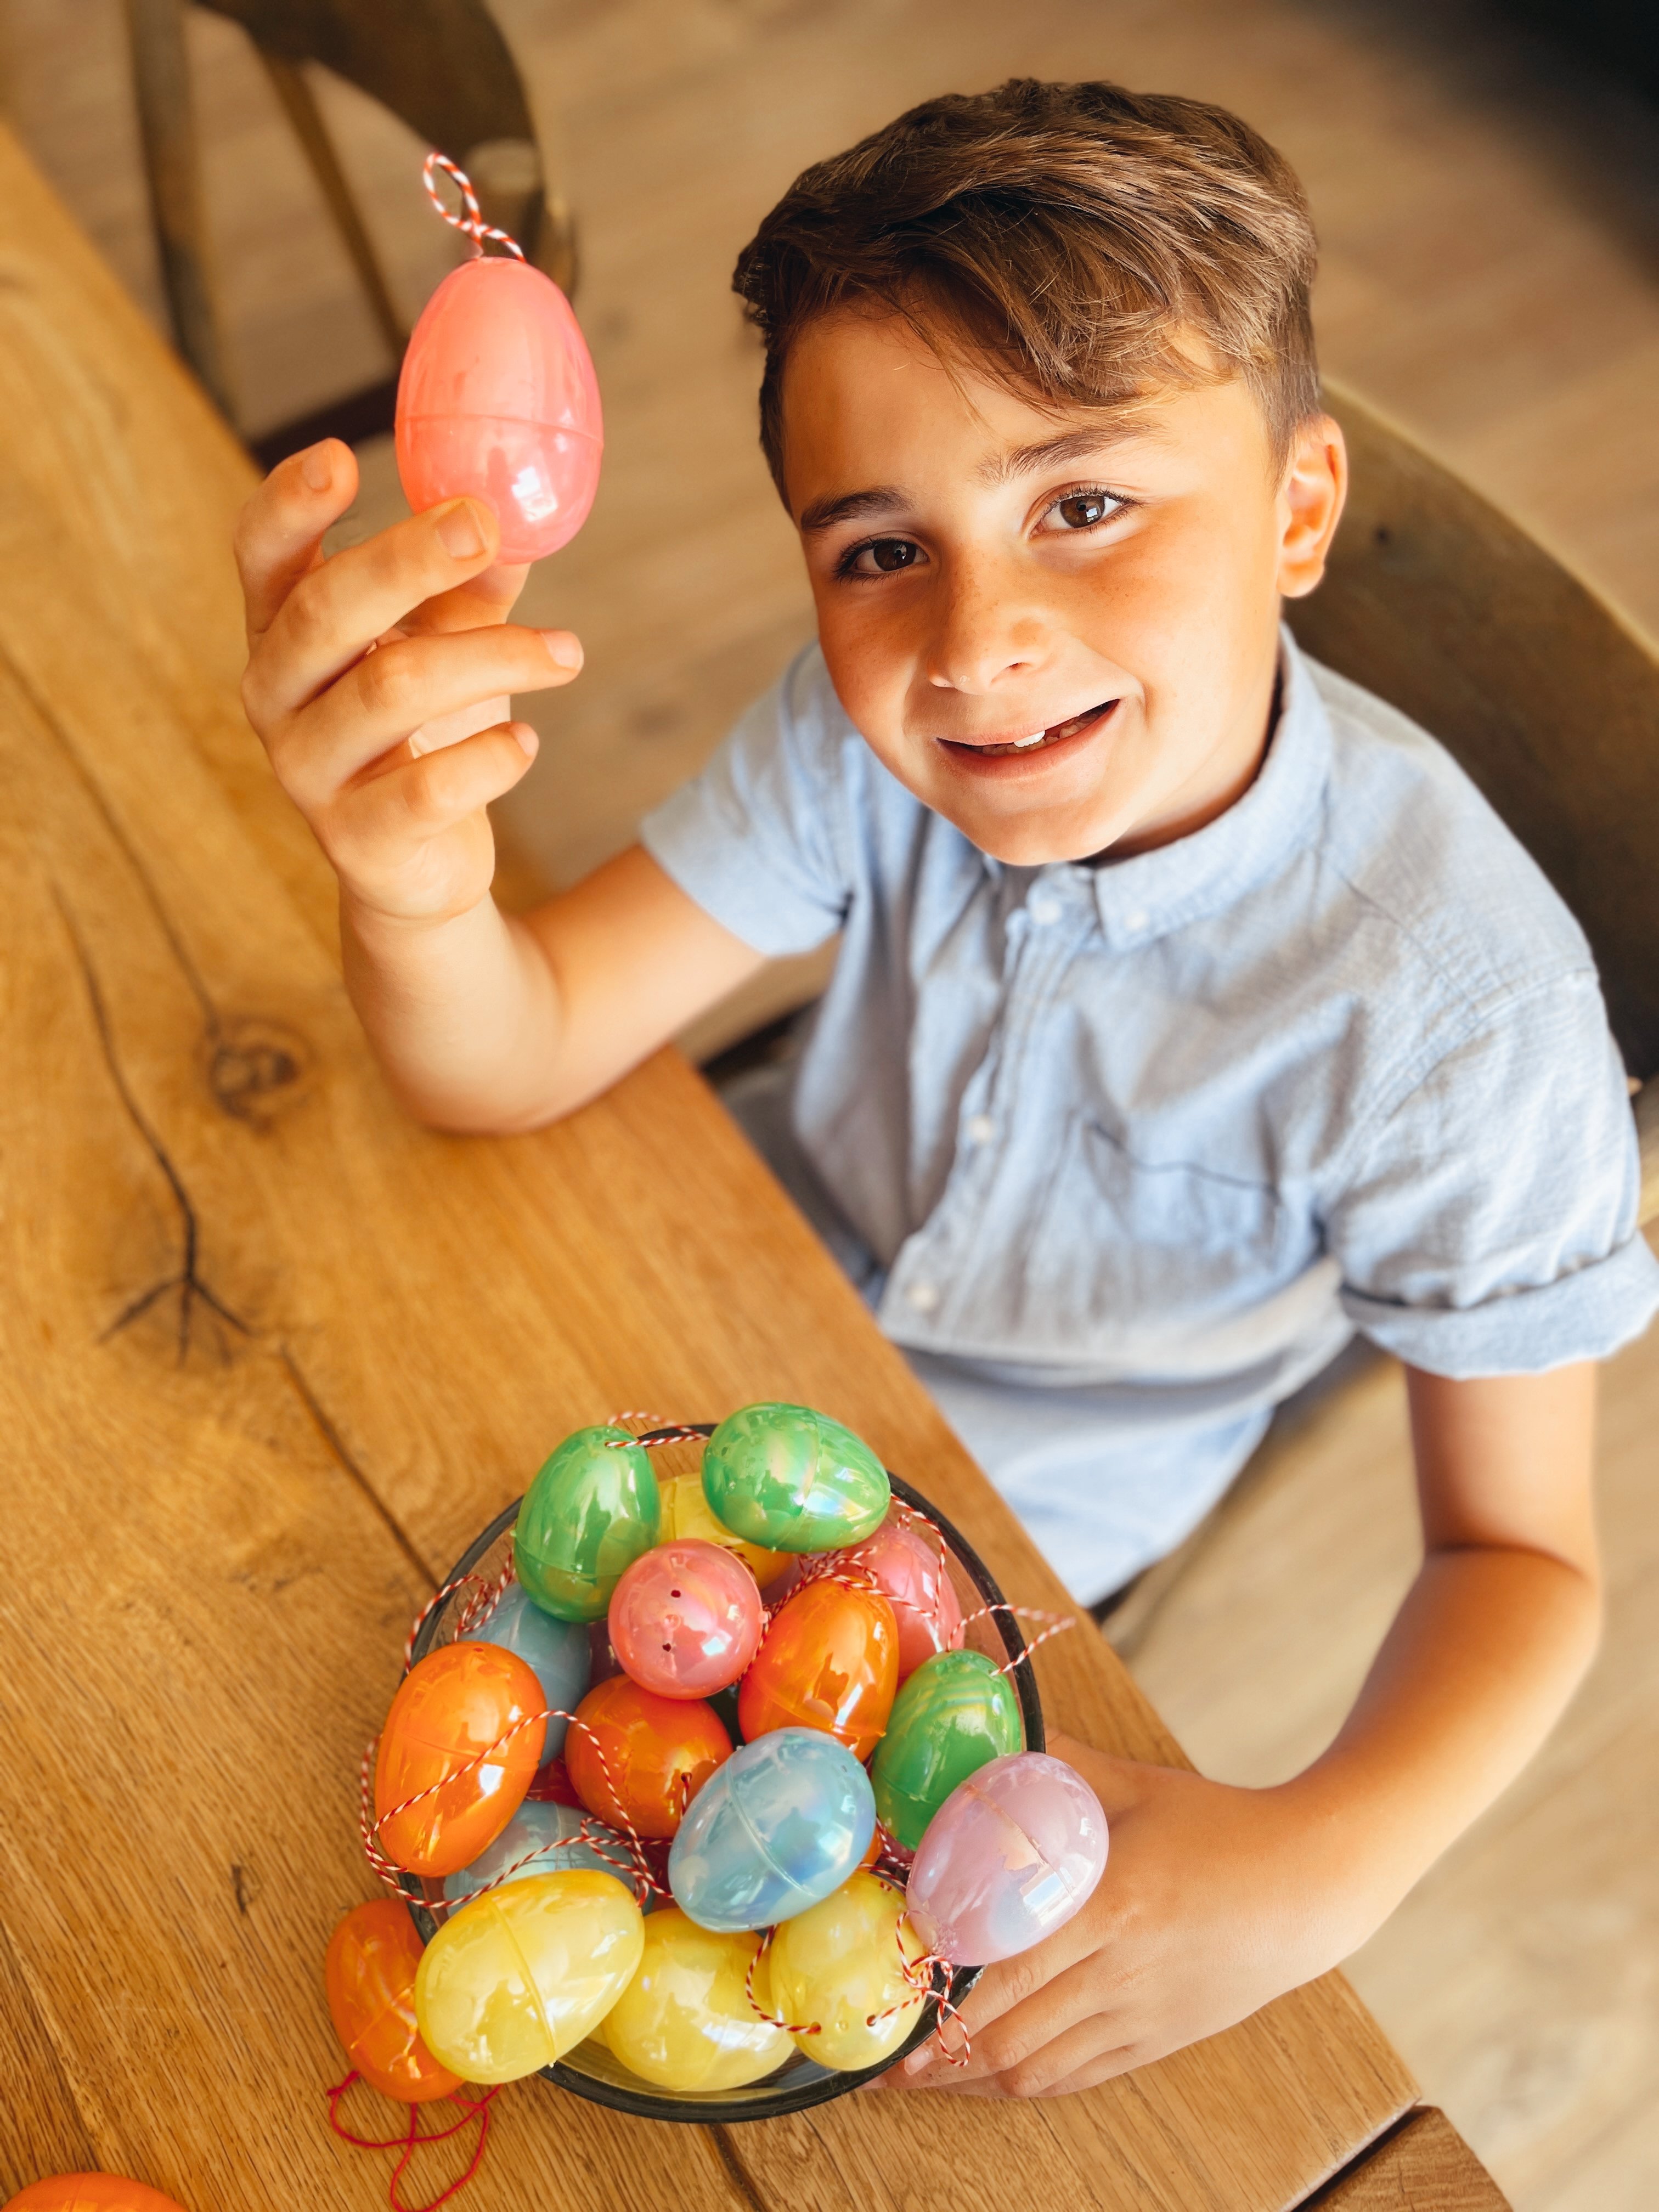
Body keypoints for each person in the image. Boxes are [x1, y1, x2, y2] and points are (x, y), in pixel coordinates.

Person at [234, 79, 1656, 2100]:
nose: (979, 644)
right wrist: (409, 885)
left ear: (1301, 511)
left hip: (1016, 1552)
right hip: (704, 1344)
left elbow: (1523, 1567)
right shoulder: (856, 733)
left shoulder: (1460, 1024)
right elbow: (514, 1051)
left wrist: (1321, 1865)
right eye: (883, 546)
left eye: (1087, 505)